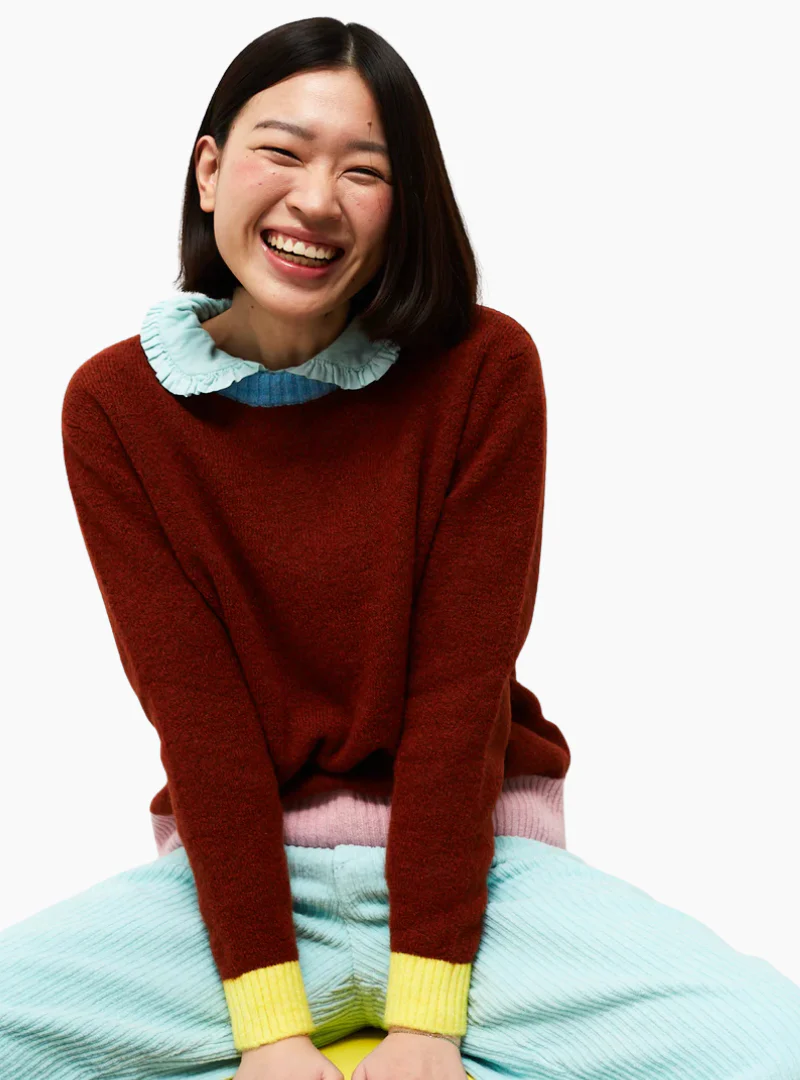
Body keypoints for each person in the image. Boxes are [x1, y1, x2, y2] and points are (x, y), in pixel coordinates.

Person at [2, 15, 799, 1080]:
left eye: (363, 170)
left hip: (480, 876)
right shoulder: (116, 407)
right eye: (282, 151)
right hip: (235, 896)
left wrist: (427, 1017)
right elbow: (201, 726)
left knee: (768, 1042)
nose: (315, 200)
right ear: (209, 171)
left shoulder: (482, 370)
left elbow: (458, 703)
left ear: (402, 202)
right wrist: (269, 1028)